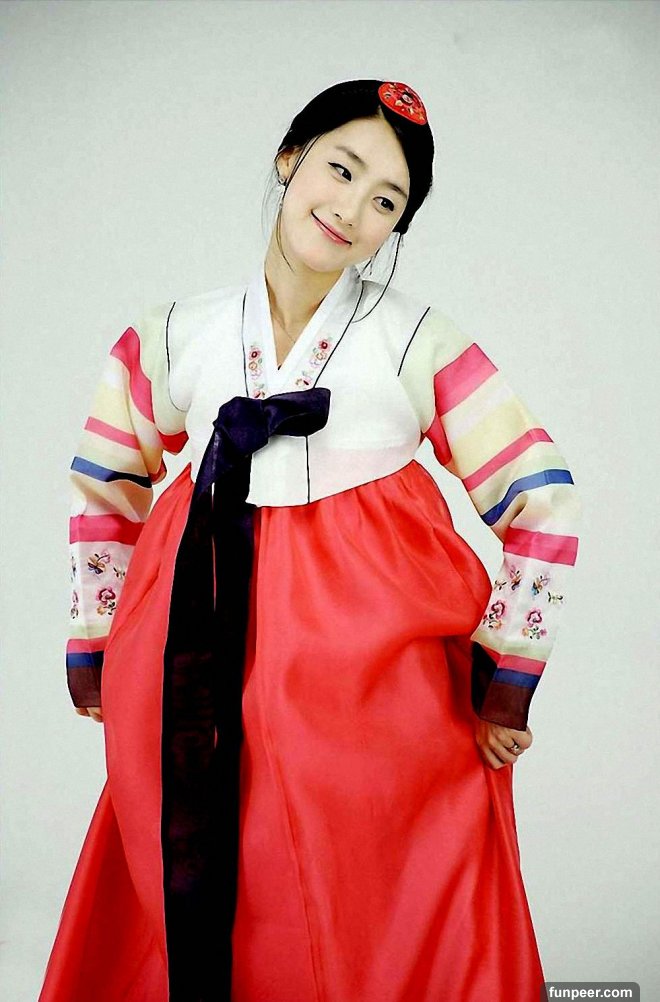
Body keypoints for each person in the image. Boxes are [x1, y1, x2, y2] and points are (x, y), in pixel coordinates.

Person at [39, 79, 581, 1002]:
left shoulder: (416, 342)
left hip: (371, 675)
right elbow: (104, 482)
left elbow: (541, 494)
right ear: (290, 158)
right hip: (191, 647)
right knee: (199, 867)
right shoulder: (176, 334)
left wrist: (504, 678)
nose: (352, 207)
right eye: (341, 168)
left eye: (386, 201)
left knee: (373, 889)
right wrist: (100, 646)